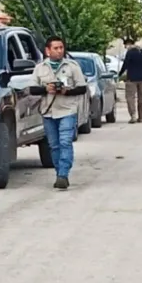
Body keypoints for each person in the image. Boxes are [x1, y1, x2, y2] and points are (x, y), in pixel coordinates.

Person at [28, 36, 88, 190]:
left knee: (65, 142)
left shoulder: (72, 66)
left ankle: (63, 174)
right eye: (56, 48)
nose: (59, 51)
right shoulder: (40, 68)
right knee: (54, 146)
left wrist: (66, 91)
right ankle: (58, 172)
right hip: (48, 112)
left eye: (61, 47)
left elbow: (82, 88)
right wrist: (45, 89)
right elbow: (32, 89)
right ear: (47, 51)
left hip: (67, 110)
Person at [119, 36, 142, 123]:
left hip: (131, 79)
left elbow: (125, 65)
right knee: (141, 98)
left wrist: (119, 74)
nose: (125, 47)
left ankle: (133, 115)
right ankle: (141, 117)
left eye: (125, 45)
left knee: (130, 97)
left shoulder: (130, 53)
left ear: (129, 44)